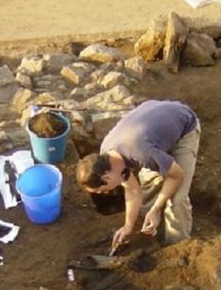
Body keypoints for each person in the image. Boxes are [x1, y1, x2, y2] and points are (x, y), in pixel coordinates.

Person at [76, 100, 200, 248]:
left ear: (106, 176)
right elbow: (133, 190)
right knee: (150, 186)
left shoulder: (142, 153)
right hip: (152, 131)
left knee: (177, 199)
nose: (106, 192)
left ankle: (177, 246)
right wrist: (128, 226)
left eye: (103, 190)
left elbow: (176, 176)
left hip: (183, 126)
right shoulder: (107, 156)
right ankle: (153, 235)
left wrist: (156, 209)